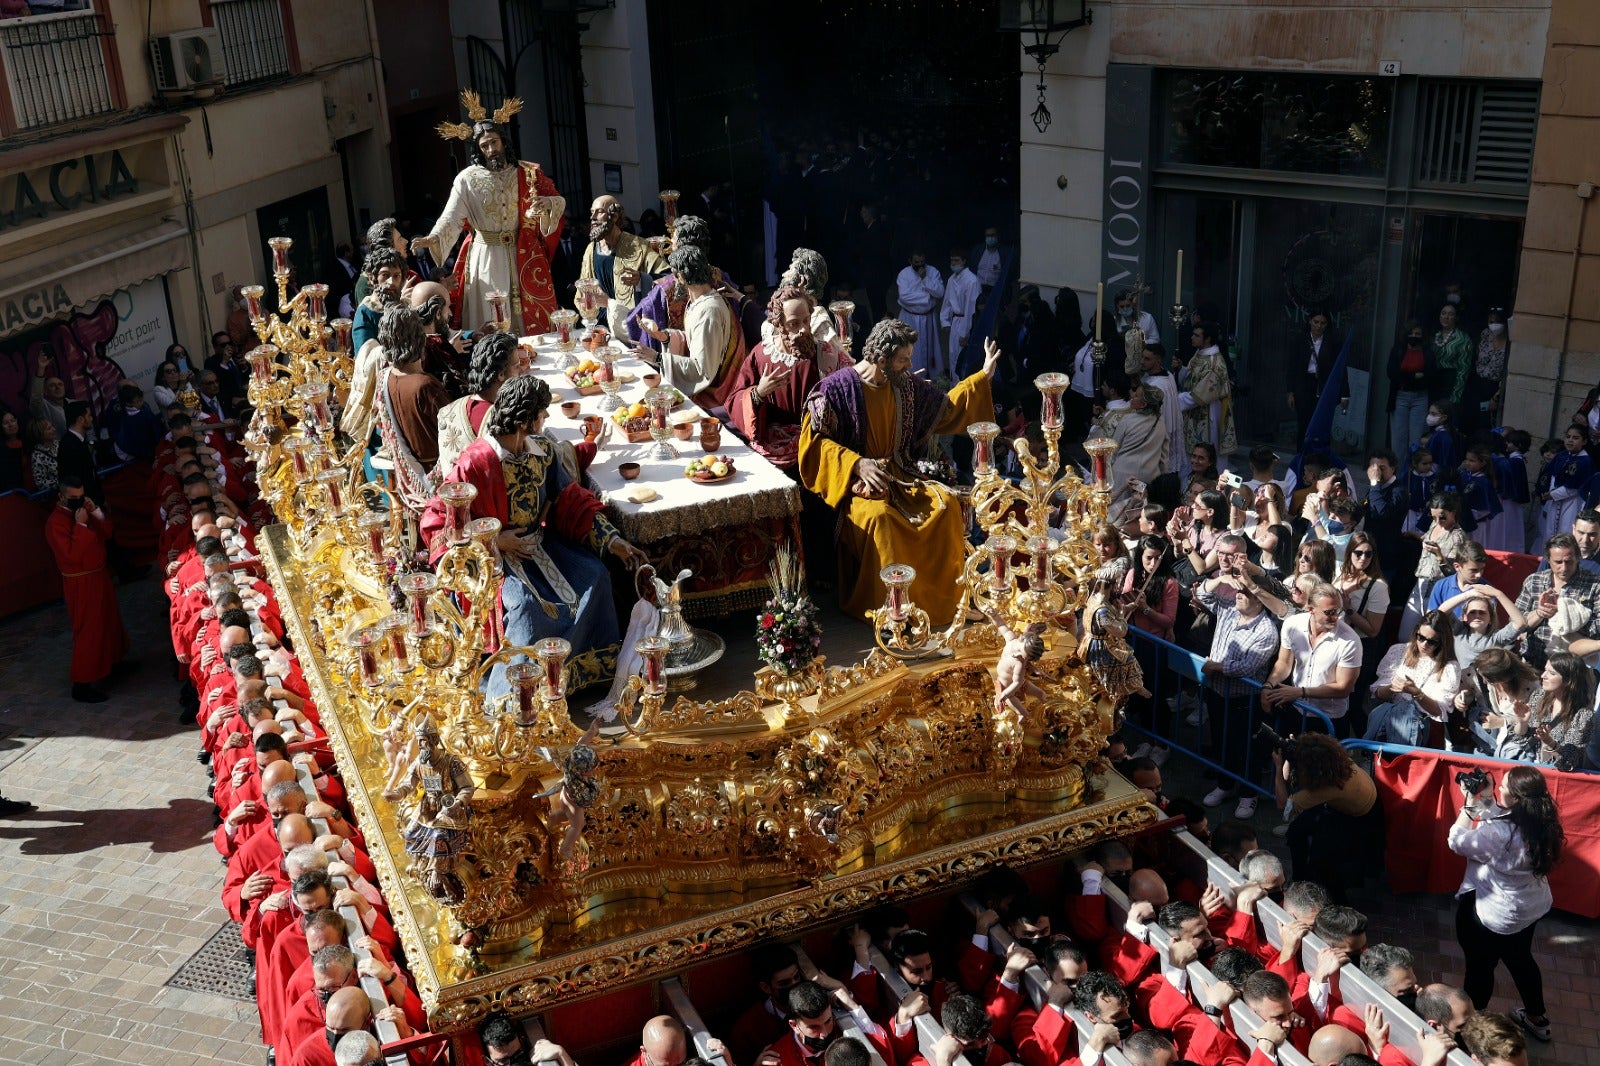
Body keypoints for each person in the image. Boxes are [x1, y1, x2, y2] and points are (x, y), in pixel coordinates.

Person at [421, 375, 647, 699]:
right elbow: (439, 517)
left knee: (595, 576)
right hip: (495, 559)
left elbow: (570, 499)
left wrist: (614, 542)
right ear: (527, 420)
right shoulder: (475, 461)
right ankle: (514, 692)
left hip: (539, 545)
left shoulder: (543, 450)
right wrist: (493, 541)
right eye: (543, 412)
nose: (547, 418)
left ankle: (574, 675)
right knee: (526, 606)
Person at [798, 319, 1002, 626]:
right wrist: (856, 463)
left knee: (945, 506)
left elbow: (946, 409)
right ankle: (893, 612)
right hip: (857, 484)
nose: (909, 365)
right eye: (903, 359)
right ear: (882, 359)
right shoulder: (835, 389)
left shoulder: (904, 385)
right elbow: (813, 444)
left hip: (902, 474)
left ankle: (950, 602)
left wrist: (982, 378)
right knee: (882, 520)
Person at [415, 93, 566, 334]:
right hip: (485, 256)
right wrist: (433, 238)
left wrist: (548, 203)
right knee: (491, 316)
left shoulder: (528, 173)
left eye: (494, 142)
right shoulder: (467, 179)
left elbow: (558, 199)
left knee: (525, 318)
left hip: (521, 252)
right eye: (484, 146)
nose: (491, 149)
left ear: (504, 142)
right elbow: (451, 216)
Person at [1449, 766, 1563, 1042]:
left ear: (1515, 798)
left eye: (1503, 786)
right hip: (1529, 909)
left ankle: (1472, 1027)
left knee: (1480, 967)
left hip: (1493, 915)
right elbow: (1501, 818)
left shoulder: (1500, 833)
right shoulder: (1542, 819)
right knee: (1520, 958)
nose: (1498, 787)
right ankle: (1537, 1018)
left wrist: (1468, 808)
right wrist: (1485, 799)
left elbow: (1457, 841)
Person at [728, 285, 848, 471]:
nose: (802, 330)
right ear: (779, 325)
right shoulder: (762, 355)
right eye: (794, 323)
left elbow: (851, 392)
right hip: (772, 448)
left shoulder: (826, 354)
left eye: (806, 321)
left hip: (817, 444)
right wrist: (758, 393)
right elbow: (734, 400)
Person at [1196, 558, 1281, 817]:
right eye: (1239, 590)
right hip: (1218, 693)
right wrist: (1220, 579)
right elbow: (1201, 593)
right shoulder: (1229, 609)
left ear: (1260, 600)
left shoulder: (1266, 631)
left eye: (1245, 593)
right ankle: (1225, 784)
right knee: (1221, 742)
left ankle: (1248, 794)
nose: (1238, 595)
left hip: (1246, 700)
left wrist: (1216, 667)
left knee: (1246, 749)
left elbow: (1248, 667)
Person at [43, 476, 130, 703]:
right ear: (61, 497)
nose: (78, 501)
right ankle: (82, 684)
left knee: (109, 621)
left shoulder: (83, 510)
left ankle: (113, 662)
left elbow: (107, 532)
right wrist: (81, 525)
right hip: (80, 582)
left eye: (81, 497)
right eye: (73, 498)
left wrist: (96, 512)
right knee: (89, 629)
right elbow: (71, 555)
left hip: (98, 574)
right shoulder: (55, 523)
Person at [1271, 733, 1382, 902]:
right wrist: (1291, 754)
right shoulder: (1336, 761)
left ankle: (1340, 904)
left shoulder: (1328, 788)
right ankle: (1299, 879)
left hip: (1357, 818)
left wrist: (1278, 767)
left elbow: (1282, 804)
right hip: (1347, 805)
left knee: (1323, 863)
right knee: (1296, 831)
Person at [645, 245, 745, 410]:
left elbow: (702, 370)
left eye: (675, 275)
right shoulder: (699, 302)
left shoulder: (708, 312)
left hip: (715, 395)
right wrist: (667, 337)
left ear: (682, 277)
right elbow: (697, 342)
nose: (674, 281)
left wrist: (658, 358)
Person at [373, 304, 450, 514]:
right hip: (436, 478)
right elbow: (454, 434)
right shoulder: (425, 386)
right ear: (419, 338)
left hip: (407, 479)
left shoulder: (384, 378)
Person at [1262, 583, 1362, 735]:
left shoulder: (1350, 641)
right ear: (1311, 609)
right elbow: (1284, 663)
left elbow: (1344, 688)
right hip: (1296, 710)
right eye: (1329, 612)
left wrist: (1301, 692)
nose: (1336, 617)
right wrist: (1268, 685)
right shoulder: (1292, 625)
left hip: (1329, 719)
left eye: (1338, 611)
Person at [1362, 612, 1461, 747]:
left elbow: (1439, 711)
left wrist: (1417, 693)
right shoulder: (1399, 651)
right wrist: (1393, 688)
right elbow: (1377, 693)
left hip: (1423, 730)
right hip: (1389, 720)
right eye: (1420, 637)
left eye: (1431, 641)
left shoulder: (1449, 667)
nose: (1424, 644)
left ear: (1442, 642)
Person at [1509, 532, 1600, 670]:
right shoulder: (1534, 582)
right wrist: (1540, 613)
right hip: (1533, 661)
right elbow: (1514, 625)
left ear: (1578, 558)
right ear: (1548, 560)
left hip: (1573, 666)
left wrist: (1567, 616)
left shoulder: (1594, 584)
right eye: (1558, 562)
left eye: (1569, 561)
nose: (1563, 568)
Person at [577, 194, 667, 329]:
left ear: (614, 216)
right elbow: (583, 288)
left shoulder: (638, 246)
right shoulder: (591, 250)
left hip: (629, 326)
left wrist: (642, 279)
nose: (593, 218)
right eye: (592, 212)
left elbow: (668, 277)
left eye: (600, 212)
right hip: (599, 326)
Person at [436, 330, 520, 473]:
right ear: (500, 374)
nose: (520, 373)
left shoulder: (446, 411)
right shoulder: (505, 422)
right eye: (516, 366)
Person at [1494, 652, 1595, 769]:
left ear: (1568, 680)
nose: (1543, 675)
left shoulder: (1583, 716)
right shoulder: (1539, 696)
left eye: (1551, 673)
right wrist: (1522, 723)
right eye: (1545, 670)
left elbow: (1568, 761)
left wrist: (1548, 741)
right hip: (1531, 767)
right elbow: (1518, 740)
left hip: (1557, 777)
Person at [1093, 371, 1168, 515]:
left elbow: (1114, 448)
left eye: (1137, 395)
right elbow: (1163, 457)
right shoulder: (1160, 423)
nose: (1132, 396)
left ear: (1143, 404)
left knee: (1116, 513)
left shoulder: (1127, 420)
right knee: (1139, 513)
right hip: (1148, 477)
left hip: (1122, 475)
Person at [1179, 319, 1235, 460]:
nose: (1192, 337)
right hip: (1191, 411)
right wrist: (1179, 369)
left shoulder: (1214, 362)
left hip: (1208, 412)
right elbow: (1188, 380)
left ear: (1208, 339)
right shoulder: (1200, 353)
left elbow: (1201, 395)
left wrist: (1173, 401)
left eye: (1197, 335)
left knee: (1208, 455)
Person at [1290, 311, 1347, 446]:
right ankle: (1301, 460)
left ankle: (1321, 461)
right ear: (1310, 321)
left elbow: (1341, 368)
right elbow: (1292, 367)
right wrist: (1290, 391)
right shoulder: (1301, 339)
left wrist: (1345, 394)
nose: (1319, 326)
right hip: (1304, 385)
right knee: (1303, 424)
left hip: (1323, 386)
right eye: (1316, 322)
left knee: (1322, 425)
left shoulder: (1332, 343)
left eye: (1322, 323)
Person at [1537, 423, 1592, 542]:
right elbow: (1553, 476)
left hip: (1572, 503)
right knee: (1550, 534)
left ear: (1584, 441)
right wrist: (1550, 493)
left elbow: (1576, 487)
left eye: (1575, 438)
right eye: (1568, 437)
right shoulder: (1561, 456)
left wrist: (1553, 494)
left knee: (1566, 533)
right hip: (1554, 501)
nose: (1570, 440)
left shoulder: (1585, 461)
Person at [894, 251, 945, 377]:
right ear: (910, 261)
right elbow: (905, 297)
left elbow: (939, 293)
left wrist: (925, 279)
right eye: (917, 263)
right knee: (912, 350)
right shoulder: (904, 274)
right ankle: (911, 376)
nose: (920, 265)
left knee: (930, 350)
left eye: (922, 262)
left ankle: (931, 376)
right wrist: (927, 298)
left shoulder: (933, 272)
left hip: (928, 318)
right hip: (910, 318)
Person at [1387, 321, 1433, 454]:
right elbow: (1392, 373)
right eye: (1411, 333)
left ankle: (1415, 472)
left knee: (1416, 438)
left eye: (1417, 334)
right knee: (1398, 438)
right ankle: (1400, 472)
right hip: (1400, 396)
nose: (1414, 336)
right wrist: (1414, 376)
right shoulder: (1398, 350)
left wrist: (1406, 376)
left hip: (1420, 398)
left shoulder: (1427, 353)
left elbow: (1430, 375)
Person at [1464, 308, 1510, 433]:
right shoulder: (1485, 334)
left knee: (1486, 422)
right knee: (1471, 418)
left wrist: (1496, 397)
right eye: (1491, 321)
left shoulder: (1510, 342)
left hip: (1494, 387)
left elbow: (1508, 374)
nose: (1494, 325)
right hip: (1477, 384)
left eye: (1497, 321)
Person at [1142, 344, 1185, 477]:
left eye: (1147, 359)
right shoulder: (1168, 375)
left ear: (1158, 361)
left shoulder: (1157, 385)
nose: (1142, 362)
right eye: (1142, 357)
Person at [940, 247, 981, 374]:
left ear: (964, 261)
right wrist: (945, 321)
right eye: (952, 260)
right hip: (954, 322)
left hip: (964, 322)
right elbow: (947, 302)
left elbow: (970, 309)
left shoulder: (972, 281)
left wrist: (965, 333)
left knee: (962, 357)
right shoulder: (951, 279)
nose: (953, 263)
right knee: (953, 355)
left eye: (956, 260)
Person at [1430, 303, 1474, 411]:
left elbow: (1464, 369)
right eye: (1443, 313)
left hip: (1450, 382)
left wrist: (1455, 396)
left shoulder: (1463, 338)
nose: (1446, 317)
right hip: (1433, 381)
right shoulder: (1434, 335)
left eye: (1450, 314)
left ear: (1456, 318)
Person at [55, 400, 100, 505]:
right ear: (80, 419)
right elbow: (76, 478)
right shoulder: (69, 446)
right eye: (89, 416)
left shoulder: (78, 441)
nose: (92, 419)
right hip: (84, 504)